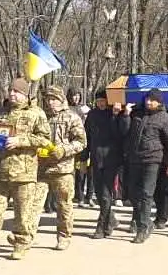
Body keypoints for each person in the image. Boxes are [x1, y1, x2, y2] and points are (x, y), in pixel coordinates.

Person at [0, 78, 52, 261]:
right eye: (11, 91)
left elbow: (45, 139)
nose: (12, 94)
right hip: (1, 171)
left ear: (25, 94)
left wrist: (21, 141)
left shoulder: (36, 114)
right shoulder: (2, 113)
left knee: (23, 212)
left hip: (24, 173)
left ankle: (21, 243)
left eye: (17, 92)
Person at [28, 85, 88, 251]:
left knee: (64, 205)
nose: (51, 102)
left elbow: (81, 142)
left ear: (61, 100)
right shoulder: (41, 116)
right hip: (41, 169)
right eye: (48, 99)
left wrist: (64, 150)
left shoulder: (72, 117)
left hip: (63, 170)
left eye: (54, 99)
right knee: (33, 204)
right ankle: (26, 236)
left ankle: (64, 236)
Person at [122, 90, 168, 244]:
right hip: (135, 159)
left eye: (152, 100)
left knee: (146, 194)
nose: (149, 102)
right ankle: (142, 220)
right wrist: (125, 115)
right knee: (133, 193)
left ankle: (143, 227)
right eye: (147, 99)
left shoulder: (165, 119)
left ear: (159, 102)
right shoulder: (138, 115)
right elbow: (125, 133)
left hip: (153, 160)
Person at [84, 89, 125, 238]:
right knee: (100, 194)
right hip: (96, 158)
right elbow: (86, 135)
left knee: (106, 194)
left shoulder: (115, 114)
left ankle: (101, 226)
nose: (101, 103)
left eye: (103, 101)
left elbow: (120, 134)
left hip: (111, 159)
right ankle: (111, 219)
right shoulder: (92, 115)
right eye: (98, 101)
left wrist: (115, 116)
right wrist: (84, 156)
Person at [67, 88, 92, 206]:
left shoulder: (85, 109)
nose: (75, 98)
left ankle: (85, 196)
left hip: (83, 144)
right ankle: (74, 195)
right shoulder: (66, 109)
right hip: (69, 143)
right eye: (73, 95)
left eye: (77, 95)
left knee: (82, 171)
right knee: (70, 171)